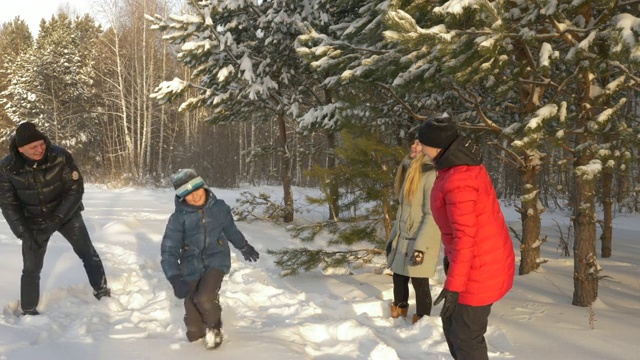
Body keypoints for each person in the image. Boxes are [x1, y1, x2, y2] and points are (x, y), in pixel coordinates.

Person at [418, 116, 515, 360]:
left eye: (422, 143)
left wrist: (454, 287)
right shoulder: (454, 167)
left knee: (465, 336)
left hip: (480, 269)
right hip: (475, 263)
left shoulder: (459, 179)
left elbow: (465, 237)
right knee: (451, 324)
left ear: (437, 147)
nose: (419, 148)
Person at [0, 122, 110, 316]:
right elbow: (8, 203)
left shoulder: (60, 156)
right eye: (33, 147)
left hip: (66, 213)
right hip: (32, 220)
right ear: (20, 149)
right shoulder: (7, 167)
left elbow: (75, 190)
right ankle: (28, 310)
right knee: (31, 267)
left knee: (87, 252)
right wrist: (24, 233)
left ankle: (102, 291)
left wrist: (56, 219)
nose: (39, 149)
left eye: (41, 144)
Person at [161, 168, 260, 350]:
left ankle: (214, 329)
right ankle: (196, 337)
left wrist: (243, 246)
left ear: (203, 187)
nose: (195, 196)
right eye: (189, 195)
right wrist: (175, 278)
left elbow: (231, 230)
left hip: (216, 259)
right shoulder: (177, 219)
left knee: (204, 297)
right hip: (190, 264)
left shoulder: (219, 208)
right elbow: (169, 250)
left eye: (197, 190)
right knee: (191, 310)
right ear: (182, 198)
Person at [386, 139, 441, 324]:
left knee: (419, 282)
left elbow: (431, 214)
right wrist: (393, 237)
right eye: (413, 143)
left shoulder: (430, 174)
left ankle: (423, 322)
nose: (413, 147)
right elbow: (403, 210)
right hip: (404, 237)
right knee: (399, 277)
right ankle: (398, 318)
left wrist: (421, 248)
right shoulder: (409, 170)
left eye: (419, 144)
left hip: (419, 238)